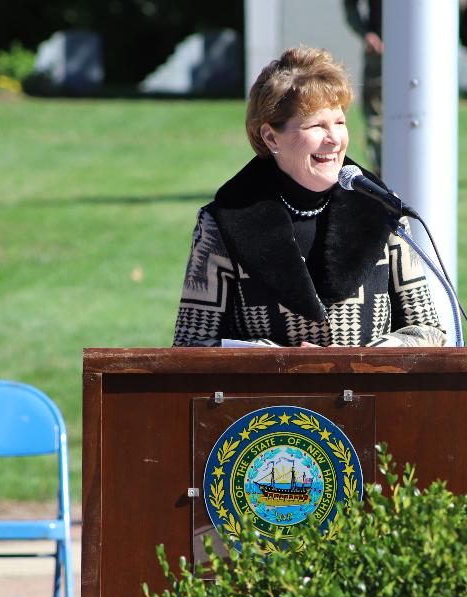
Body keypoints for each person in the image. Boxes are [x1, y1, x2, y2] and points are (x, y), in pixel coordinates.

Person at [172, 47, 445, 348]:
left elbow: (429, 332)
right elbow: (190, 344)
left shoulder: (381, 209)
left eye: (339, 122)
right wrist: (282, 363)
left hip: (369, 393)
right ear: (271, 137)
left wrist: (358, 361)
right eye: (317, 125)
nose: (334, 139)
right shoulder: (223, 224)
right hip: (268, 396)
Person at [343, 0, 383, 176]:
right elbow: (350, 5)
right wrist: (366, 34)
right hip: (379, 55)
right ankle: (381, 173)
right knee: (376, 119)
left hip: (423, 55)